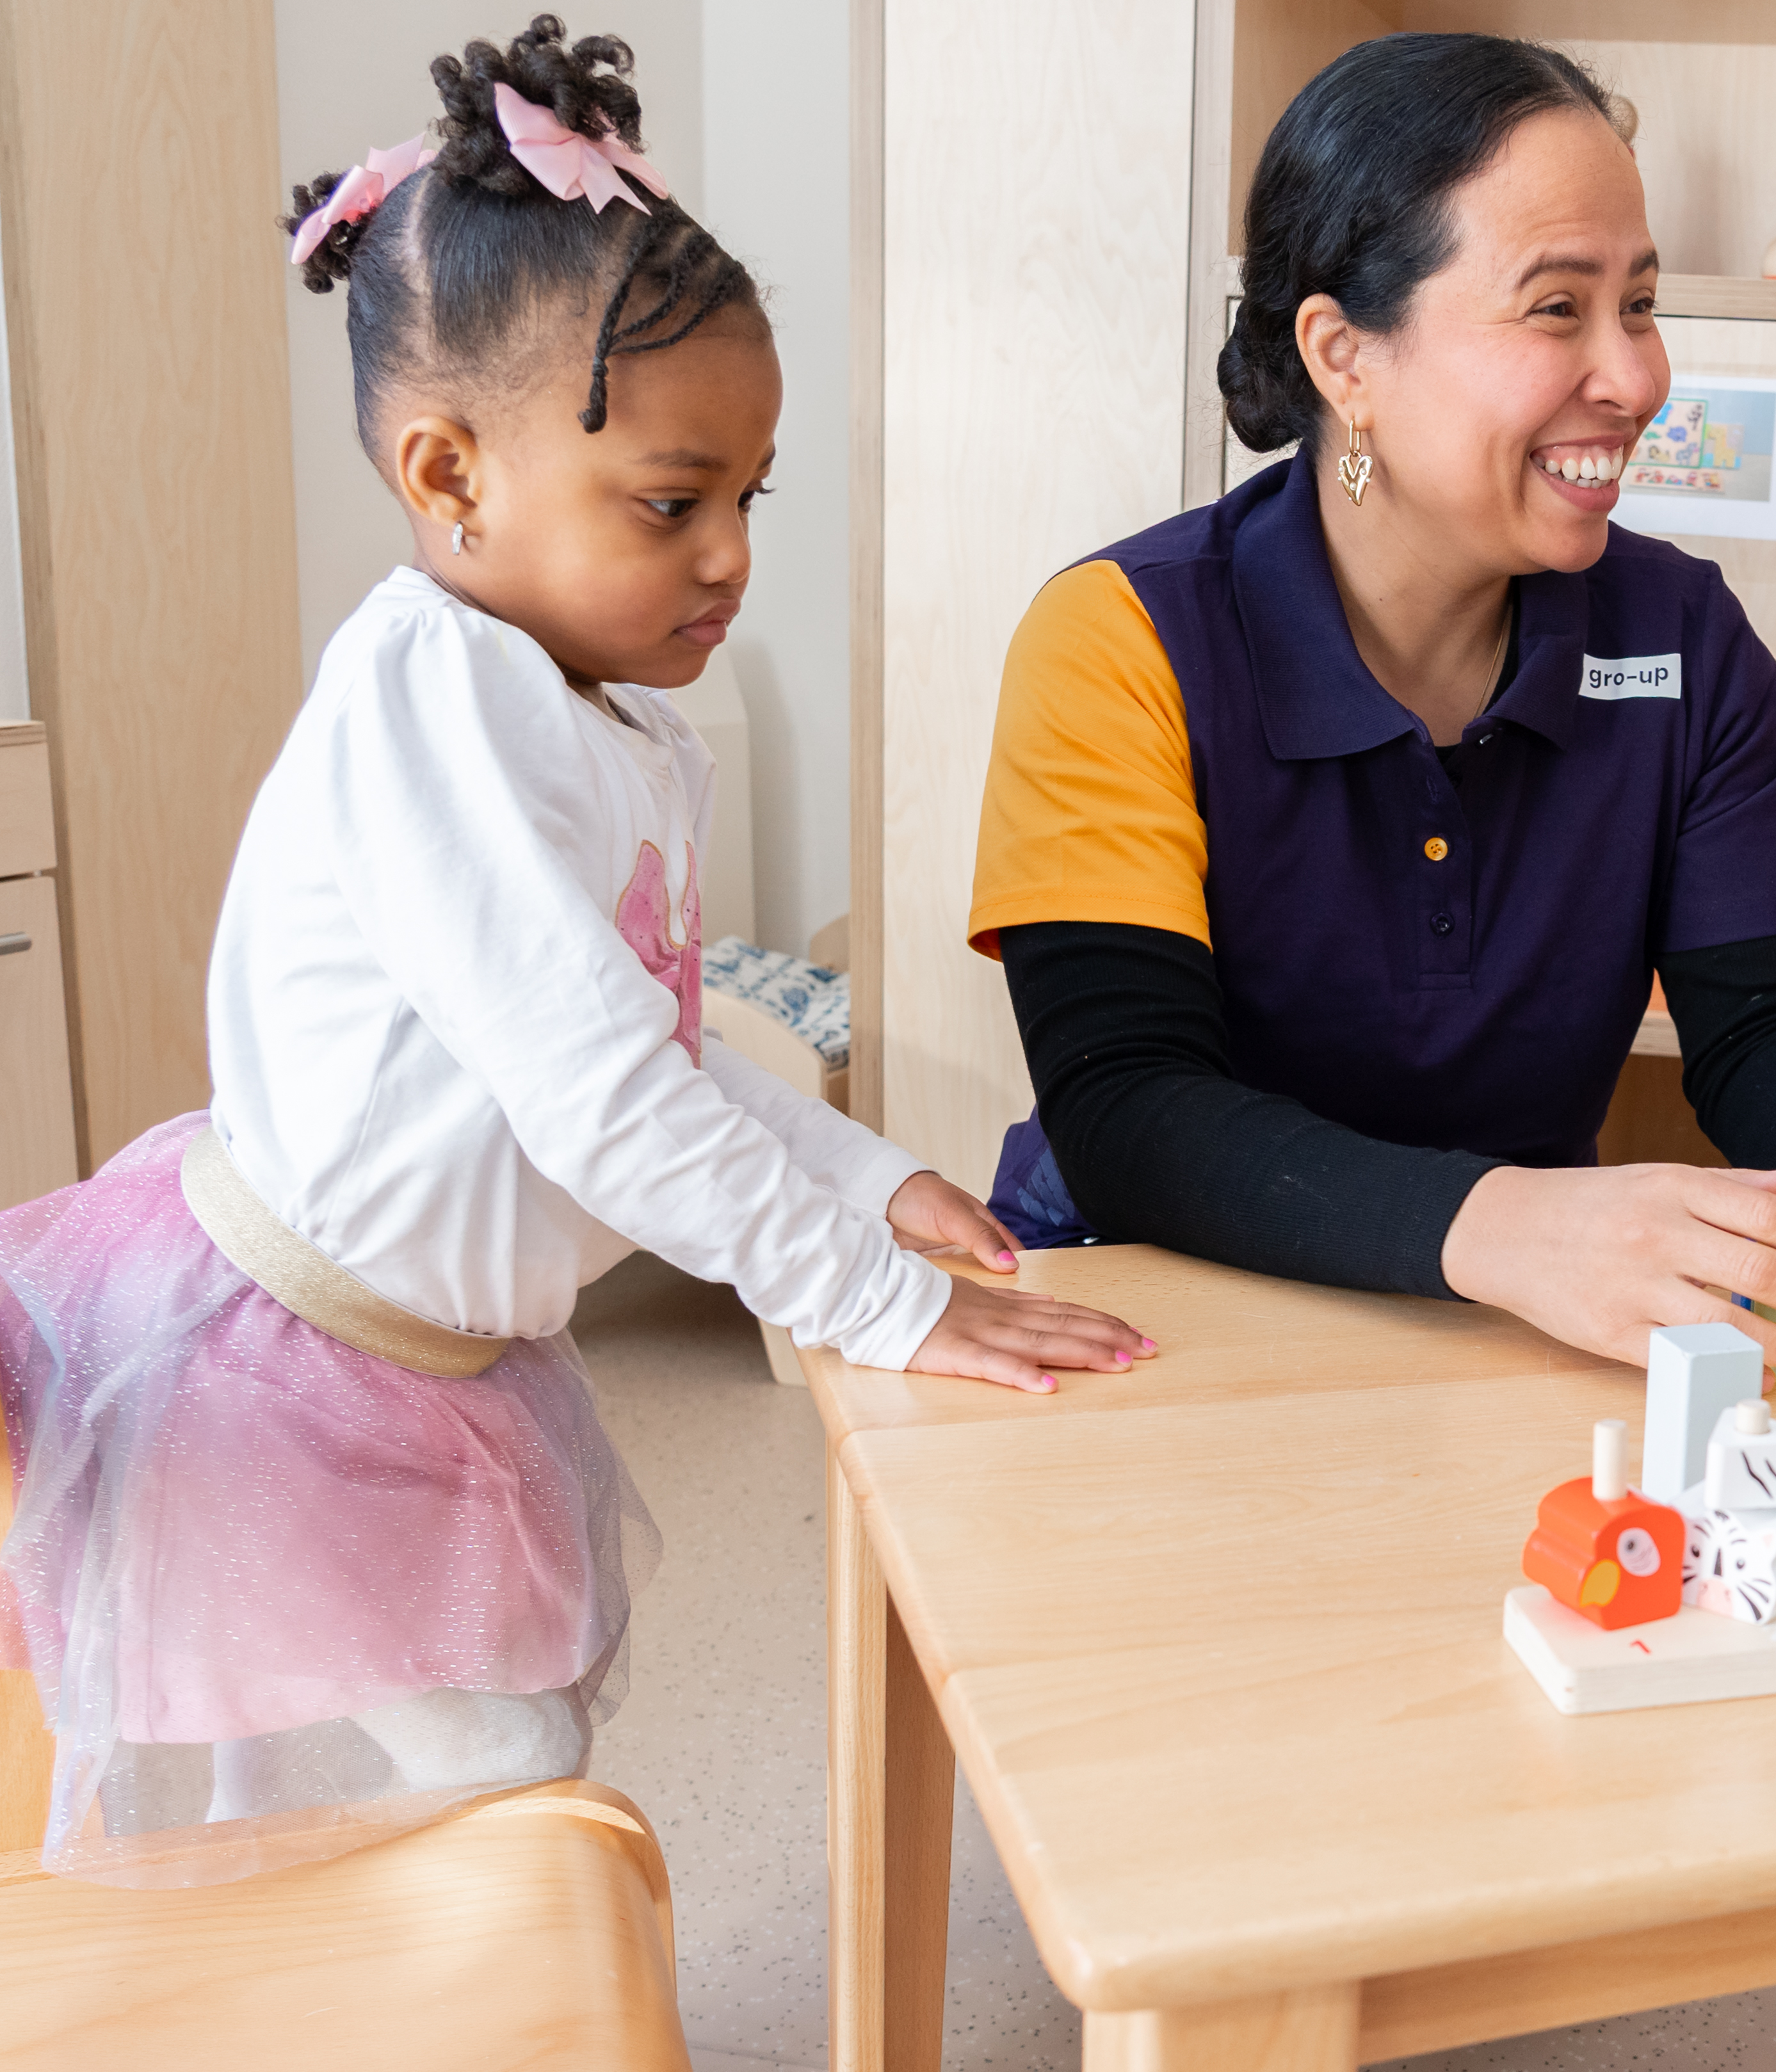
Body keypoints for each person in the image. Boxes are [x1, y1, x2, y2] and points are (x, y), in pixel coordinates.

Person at [0, 15, 1143, 1887]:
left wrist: (871, 1179)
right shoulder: (432, 699)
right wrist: (878, 1304)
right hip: (288, 1360)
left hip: (439, 1350)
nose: (730, 560)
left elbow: (666, 1052)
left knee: (432, 1753)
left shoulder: (613, 722)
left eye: (747, 500)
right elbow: (605, 1099)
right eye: (671, 503)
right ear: (450, 474)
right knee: (469, 1773)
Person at [972, 33, 1776, 1371]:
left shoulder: (1684, 639)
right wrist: (1507, 1224)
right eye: (1558, 308)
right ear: (1344, 356)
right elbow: (1129, 1108)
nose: (1637, 377)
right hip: (1143, 1316)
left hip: (1511, 1324)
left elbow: (1763, 1013)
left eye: (1641, 305)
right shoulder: (1121, 638)